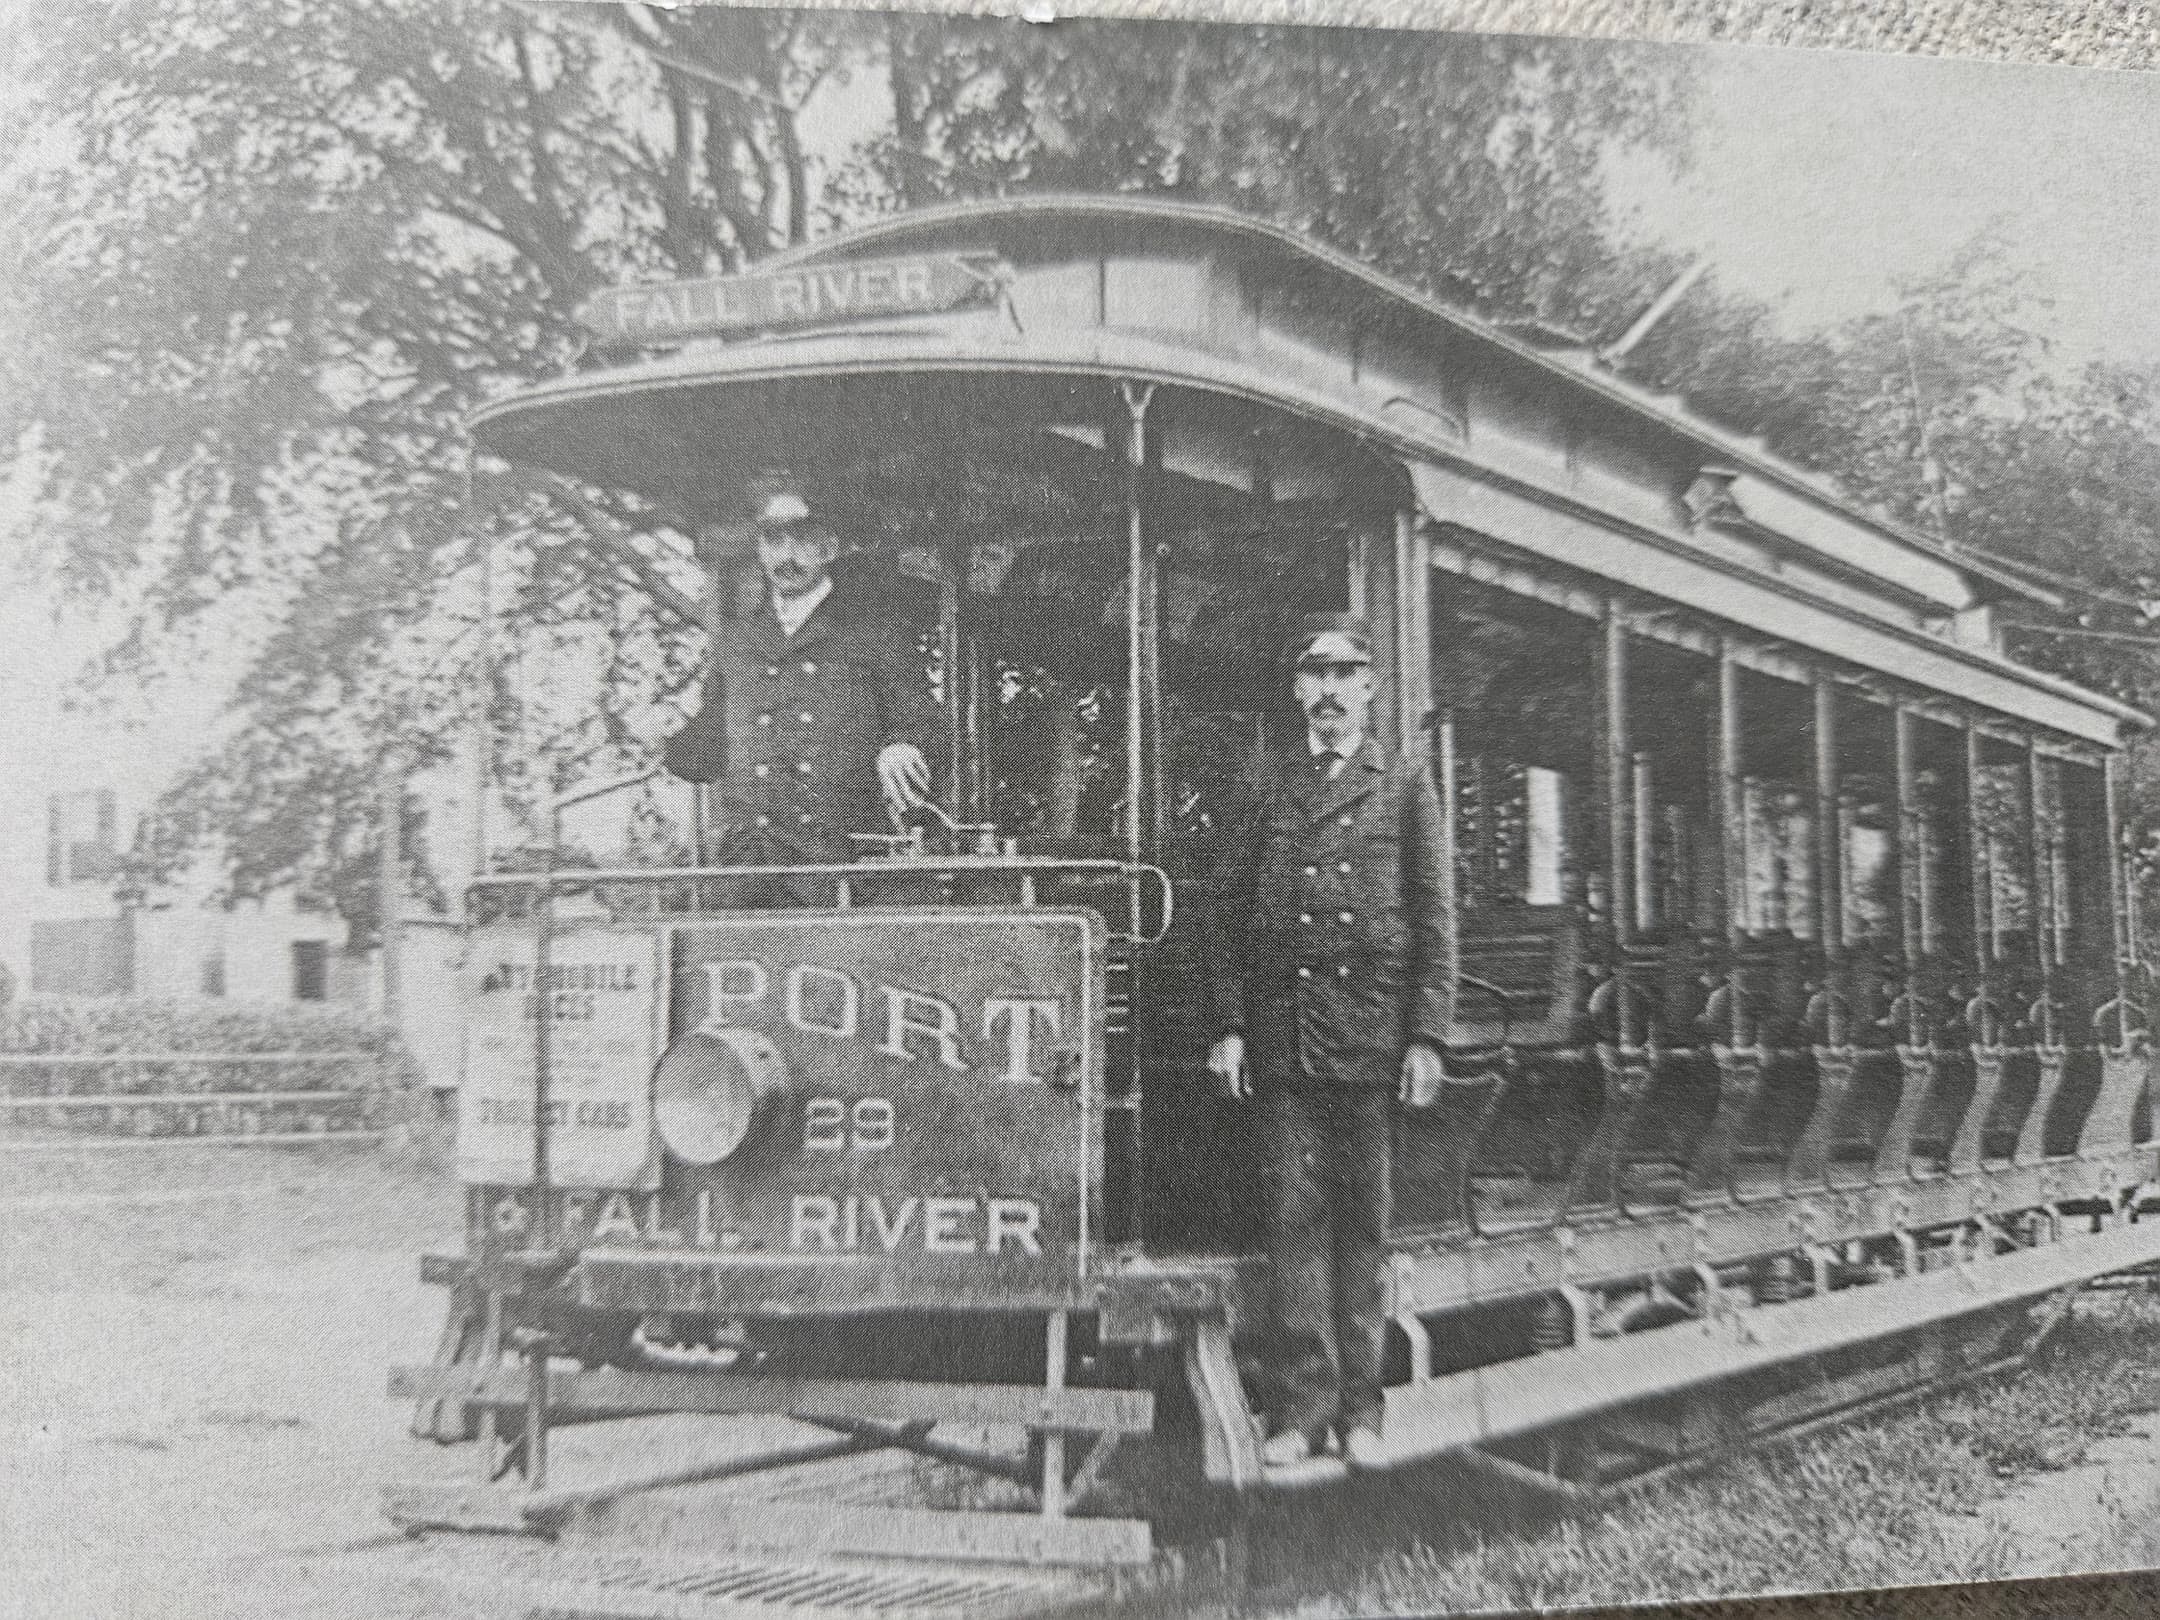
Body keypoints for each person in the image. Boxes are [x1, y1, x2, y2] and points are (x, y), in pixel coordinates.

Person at [1204, 612, 1450, 1470]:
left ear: (1371, 687)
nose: (1331, 691)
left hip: (1371, 1040)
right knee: (1294, 1228)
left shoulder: (1405, 784)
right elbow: (1225, 912)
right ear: (1298, 689)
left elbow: (1435, 920)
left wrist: (1427, 1036)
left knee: (1362, 1233)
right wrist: (1230, 1025)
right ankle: (1302, 1413)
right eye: (1316, 674)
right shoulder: (1268, 786)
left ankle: (1363, 1414)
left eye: (1346, 674)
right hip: (1287, 1044)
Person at [663, 473, 938, 878]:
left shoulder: (873, 632)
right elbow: (711, 738)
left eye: (802, 540)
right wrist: (672, 744)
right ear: (760, 548)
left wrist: (901, 746)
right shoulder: (737, 641)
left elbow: (924, 723)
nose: (786, 556)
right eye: (774, 540)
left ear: (829, 548)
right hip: (749, 867)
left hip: (840, 866)